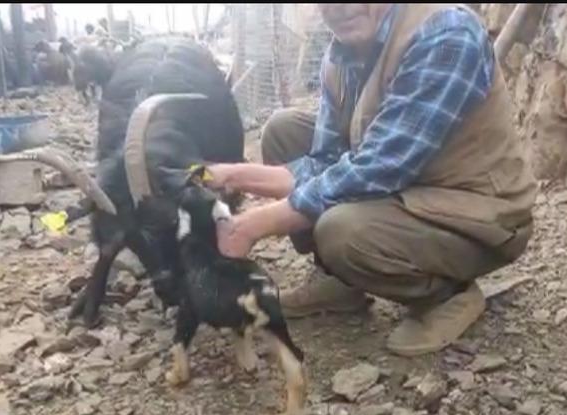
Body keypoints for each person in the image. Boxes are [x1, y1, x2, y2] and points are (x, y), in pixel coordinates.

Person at [205, 3, 537, 357]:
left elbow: (381, 166)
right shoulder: (341, 55)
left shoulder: (446, 32)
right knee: (283, 132)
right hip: (408, 186)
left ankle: (448, 294)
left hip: (475, 214)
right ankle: (340, 280)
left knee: (341, 230)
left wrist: (251, 226)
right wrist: (231, 175)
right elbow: (325, 160)